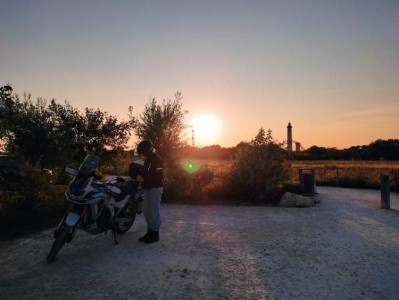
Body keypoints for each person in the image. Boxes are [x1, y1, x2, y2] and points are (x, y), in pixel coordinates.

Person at [134, 140, 164, 244]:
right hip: (148, 187)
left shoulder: (157, 160)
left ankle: (155, 234)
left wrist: (143, 179)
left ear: (148, 150)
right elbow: (146, 172)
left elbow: (157, 177)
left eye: (143, 153)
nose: (143, 155)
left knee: (154, 210)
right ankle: (149, 231)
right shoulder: (148, 160)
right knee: (146, 210)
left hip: (155, 188)